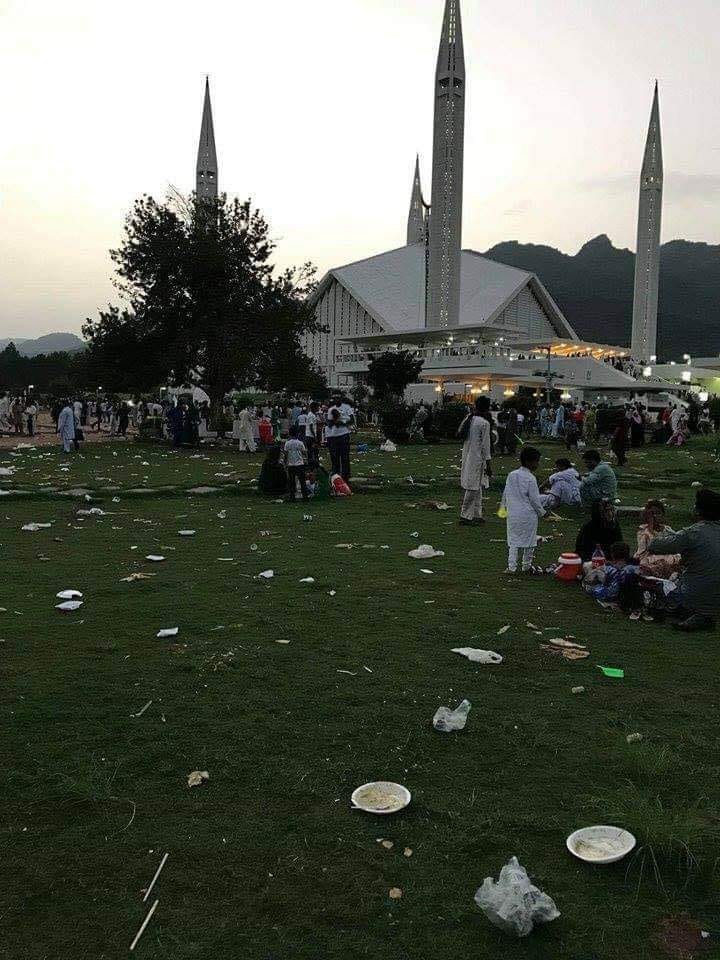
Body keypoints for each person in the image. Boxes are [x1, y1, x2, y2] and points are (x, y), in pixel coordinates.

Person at [646, 488, 720, 632]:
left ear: (699, 510)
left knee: (652, 586)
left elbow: (654, 546)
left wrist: (654, 528)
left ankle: (695, 615)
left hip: (693, 596)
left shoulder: (693, 533)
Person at [501, 446, 546, 573]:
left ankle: (511, 566)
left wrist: (502, 509)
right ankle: (526, 565)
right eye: (536, 461)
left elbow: (506, 493)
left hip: (513, 514)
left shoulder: (511, 474)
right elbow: (534, 500)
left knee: (513, 540)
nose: (537, 464)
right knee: (530, 541)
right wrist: (543, 513)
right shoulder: (530, 478)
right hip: (528, 514)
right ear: (528, 462)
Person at [458, 396, 492, 526]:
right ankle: (465, 515)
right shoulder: (484, 423)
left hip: (468, 456)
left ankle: (477, 514)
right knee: (473, 487)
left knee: (477, 487)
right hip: (477, 459)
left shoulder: (469, 418)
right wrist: (489, 465)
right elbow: (486, 446)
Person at [635, 499, 680, 579]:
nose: (655, 516)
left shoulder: (668, 530)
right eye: (652, 514)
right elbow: (647, 548)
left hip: (667, 555)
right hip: (649, 556)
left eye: (658, 513)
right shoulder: (643, 530)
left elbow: (674, 544)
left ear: (663, 515)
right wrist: (650, 527)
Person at [325, 403, 351, 481]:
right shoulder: (339, 423)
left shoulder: (332, 424)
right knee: (344, 458)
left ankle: (339, 474)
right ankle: (344, 475)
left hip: (334, 440)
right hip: (337, 440)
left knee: (336, 459)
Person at [283, 427, 309, 502]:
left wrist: (285, 464)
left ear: (289, 434)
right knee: (302, 481)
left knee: (292, 482)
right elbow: (304, 453)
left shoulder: (287, 443)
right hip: (300, 464)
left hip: (291, 465)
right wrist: (306, 460)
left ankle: (292, 497)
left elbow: (285, 454)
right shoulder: (300, 443)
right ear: (298, 434)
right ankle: (305, 497)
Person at [305, 401, 320, 468]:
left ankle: (313, 464)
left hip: (310, 435)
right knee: (312, 451)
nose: (318, 408)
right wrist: (315, 436)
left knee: (312, 451)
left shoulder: (313, 415)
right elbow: (311, 427)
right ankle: (312, 465)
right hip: (310, 436)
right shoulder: (311, 415)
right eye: (317, 407)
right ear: (314, 407)